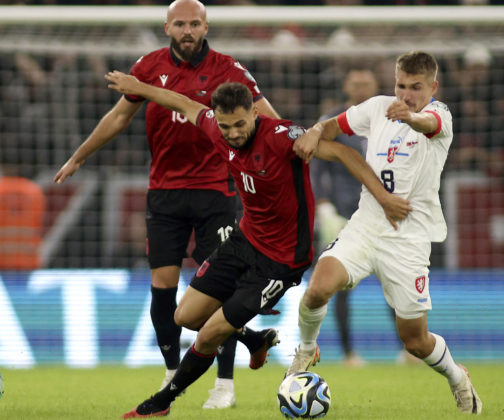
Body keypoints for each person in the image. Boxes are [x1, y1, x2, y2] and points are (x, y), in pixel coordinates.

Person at [104, 74, 411, 418]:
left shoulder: (283, 137)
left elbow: (342, 153)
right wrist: (139, 88)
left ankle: (159, 404)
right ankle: (255, 340)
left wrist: (383, 198)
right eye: (225, 126)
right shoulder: (213, 126)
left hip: (281, 260)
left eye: (239, 124)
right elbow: (183, 103)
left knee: (208, 335)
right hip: (244, 240)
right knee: (184, 316)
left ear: (253, 113)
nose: (233, 133)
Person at [53, 0, 281, 409]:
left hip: (217, 191)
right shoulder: (148, 66)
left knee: (218, 288)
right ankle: (174, 371)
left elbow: (267, 119)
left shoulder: (230, 70)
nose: (188, 30)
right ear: (167, 27)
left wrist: (286, 154)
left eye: (195, 23)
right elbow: (119, 117)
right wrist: (80, 154)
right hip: (165, 192)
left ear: (206, 25)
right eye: (180, 24)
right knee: (163, 286)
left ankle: (224, 385)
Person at [288, 51, 483, 415]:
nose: (406, 94)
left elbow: (427, 123)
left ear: (432, 87)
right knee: (318, 287)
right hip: (366, 224)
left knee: (415, 341)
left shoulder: (440, 115)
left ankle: (457, 377)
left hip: (408, 238)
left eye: (415, 87)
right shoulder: (378, 107)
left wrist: (411, 115)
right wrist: (316, 131)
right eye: (400, 86)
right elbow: (334, 126)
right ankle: (304, 351)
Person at [310, 67, 379, 367]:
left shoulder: (389, 120)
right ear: (346, 86)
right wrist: (323, 206)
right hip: (342, 215)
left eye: (367, 83)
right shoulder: (332, 122)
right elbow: (314, 167)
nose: (362, 88)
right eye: (356, 83)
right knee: (337, 285)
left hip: (380, 211)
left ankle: (409, 349)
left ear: (376, 87)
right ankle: (348, 353)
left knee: (393, 277)